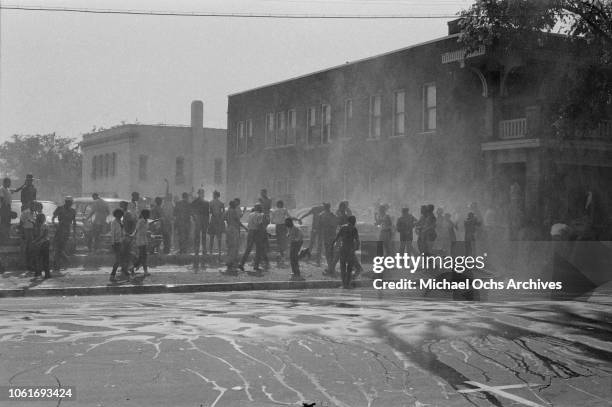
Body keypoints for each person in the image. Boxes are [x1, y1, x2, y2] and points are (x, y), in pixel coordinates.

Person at [333, 215, 360, 288]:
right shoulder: (354, 229)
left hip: (343, 248)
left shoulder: (343, 227)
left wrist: (333, 245)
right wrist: (356, 248)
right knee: (349, 268)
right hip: (350, 249)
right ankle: (347, 284)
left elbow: (337, 237)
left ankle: (344, 284)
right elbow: (357, 240)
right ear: (353, 221)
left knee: (343, 267)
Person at [238, 204, 266, 273]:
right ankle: (256, 266)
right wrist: (263, 233)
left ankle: (241, 263)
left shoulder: (250, 214)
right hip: (256, 232)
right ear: (260, 208)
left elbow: (249, 224)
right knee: (258, 249)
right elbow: (260, 224)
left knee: (248, 249)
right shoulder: (261, 215)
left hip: (250, 232)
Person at [52, 196, 76, 271]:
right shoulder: (60, 208)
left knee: (60, 248)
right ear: (66, 202)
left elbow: (74, 222)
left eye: (70, 202)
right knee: (58, 248)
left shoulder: (73, 211)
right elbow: (53, 217)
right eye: (69, 202)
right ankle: (63, 262)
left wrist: (74, 233)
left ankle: (61, 263)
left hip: (66, 230)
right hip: (60, 229)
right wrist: (54, 225)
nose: (70, 203)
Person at [224, 199, 247, 273]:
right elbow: (238, 221)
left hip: (228, 228)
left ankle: (228, 262)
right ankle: (232, 262)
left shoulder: (227, 211)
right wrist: (245, 227)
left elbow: (223, 218)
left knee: (229, 246)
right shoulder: (233, 211)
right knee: (234, 246)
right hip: (234, 229)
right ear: (233, 205)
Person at [318, 203, 338, 275]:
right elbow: (336, 225)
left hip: (326, 236)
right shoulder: (333, 215)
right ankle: (331, 267)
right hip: (332, 236)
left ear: (324, 207)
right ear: (329, 207)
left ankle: (330, 267)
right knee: (331, 252)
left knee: (327, 252)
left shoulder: (321, 215)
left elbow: (319, 226)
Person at [131, 209, 151, 276]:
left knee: (141, 257)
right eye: (147, 214)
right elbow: (136, 230)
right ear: (143, 215)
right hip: (140, 240)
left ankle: (131, 268)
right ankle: (145, 271)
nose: (148, 215)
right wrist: (133, 236)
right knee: (143, 256)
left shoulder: (146, 221)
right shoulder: (141, 221)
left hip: (144, 239)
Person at [191, 189, 210, 257]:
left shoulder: (196, 202)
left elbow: (207, 213)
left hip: (200, 220)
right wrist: (195, 218)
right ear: (199, 194)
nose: (202, 194)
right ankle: (200, 250)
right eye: (201, 193)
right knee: (200, 236)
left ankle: (199, 250)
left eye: (202, 193)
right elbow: (192, 211)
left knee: (200, 236)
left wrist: (194, 218)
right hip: (201, 220)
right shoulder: (205, 202)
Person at [31, 213, 50, 279]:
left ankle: (42, 273)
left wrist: (35, 241)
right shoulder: (42, 224)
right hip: (43, 243)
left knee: (41, 258)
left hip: (43, 243)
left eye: (38, 218)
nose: (37, 220)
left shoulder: (44, 225)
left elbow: (43, 235)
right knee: (42, 259)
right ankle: (42, 273)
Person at [20, 200, 37, 270]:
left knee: (31, 249)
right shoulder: (25, 212)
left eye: (35, 205)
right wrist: (22, 233)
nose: (34, 206)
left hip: (32, 231)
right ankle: (24, 265)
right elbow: (21, 223)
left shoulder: (35, 213)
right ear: (30, 205)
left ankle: (30, 265)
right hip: (26, 231)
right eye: (32, 205)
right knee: (25, 249)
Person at [208, 190, 225, 261]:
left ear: (214, 195)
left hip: (213, 220)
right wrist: (220, 216)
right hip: (219, 221)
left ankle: (211, 251)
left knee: (212, 236)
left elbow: (210, 211)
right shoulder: (221, 203)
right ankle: (219, 251)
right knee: (219, 237)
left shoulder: (211, 203)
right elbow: (223, 212)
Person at [109, 208, 125, 281]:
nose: (120, 215)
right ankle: (112, 275)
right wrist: (112, 243)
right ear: (115, 214)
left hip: (121, 242)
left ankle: (125, 273)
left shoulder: (121, 222)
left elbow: (123, 232)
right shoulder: (114, 222)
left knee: (122, 259)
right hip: (116, 243)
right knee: (118, 260)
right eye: (118, 214)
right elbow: (112, 233)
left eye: (121, 214)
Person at [0, 177, 13, 244]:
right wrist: (5, 208)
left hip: (8, 207)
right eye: (9, 182)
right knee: (4, 223)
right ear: (5, 182)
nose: (10, 184)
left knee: (8, 222)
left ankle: (7, 236)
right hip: (4, 208)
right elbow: (2, 198)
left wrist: (22, 186)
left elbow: (15, 190)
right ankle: (2, 238)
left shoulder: (8, 189)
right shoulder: (1, 189)